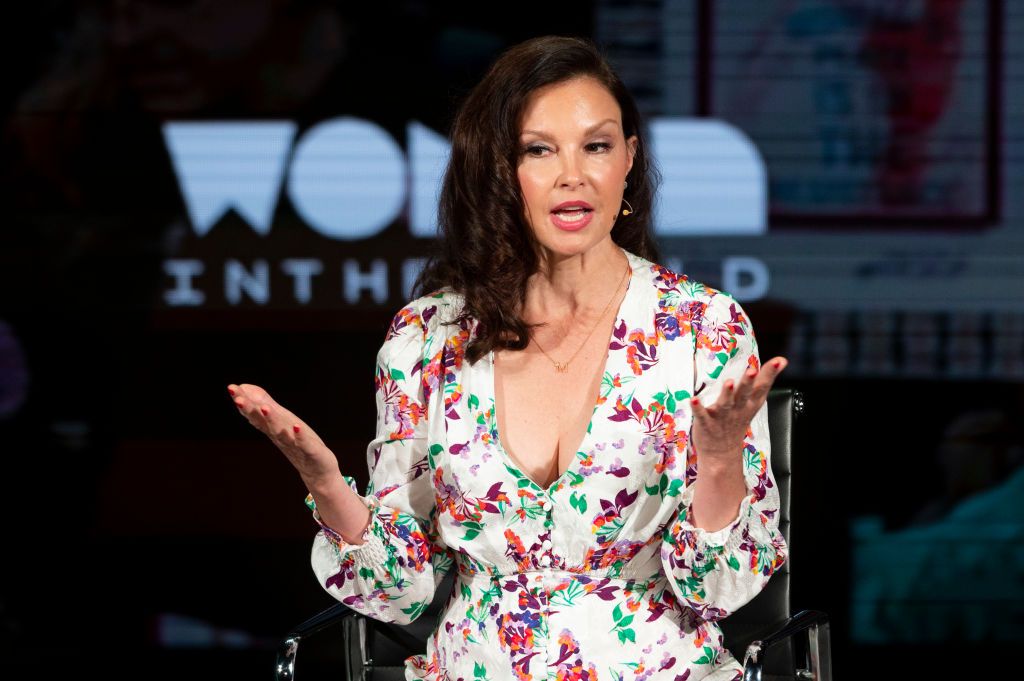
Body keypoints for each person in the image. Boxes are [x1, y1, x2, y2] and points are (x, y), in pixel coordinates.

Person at [229, 35, 789, 681]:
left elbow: (717, 590)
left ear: (629, 160)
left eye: (597, 145)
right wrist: (326, 483)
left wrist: (720, 461)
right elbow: (397, 591)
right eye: (538, 149)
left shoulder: (703, 327)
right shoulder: (428, 335)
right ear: (499, 169)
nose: (572, 174)